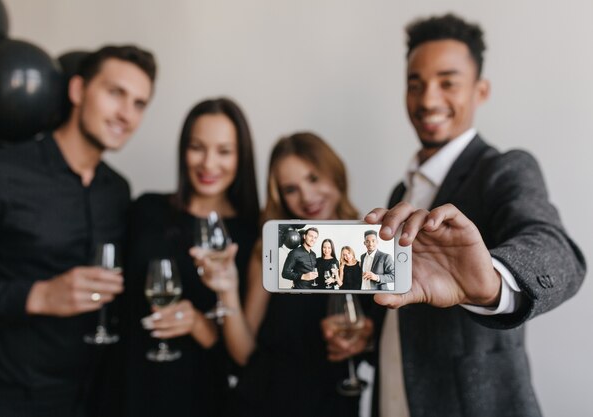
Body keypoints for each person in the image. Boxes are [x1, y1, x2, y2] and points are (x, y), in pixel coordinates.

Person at [322, 13, 586, 417]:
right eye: (416, 84)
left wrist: (492, 282)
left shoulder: (504, 169)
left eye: (447, 82)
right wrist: (369, 336)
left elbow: (556, 251)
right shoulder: (400, 192)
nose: (428, 100)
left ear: (481, 90)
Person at [0, 45, 156, 417]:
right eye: (115, 93)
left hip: (95, 398)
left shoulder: (117, 191)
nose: (126, 114)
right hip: (14, 401)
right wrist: (36, 295)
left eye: (139, 103)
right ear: (77, 91)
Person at [193, 132, 367, 417]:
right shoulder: (274, 249)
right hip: (268, 402)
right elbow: (243, 353)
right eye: (291, 189)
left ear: (335, 174)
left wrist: (364, 338)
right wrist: (227, 291)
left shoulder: (368, 242)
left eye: (313, 178)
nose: (307, 197)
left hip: (336, 401)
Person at [119, 97, 259, 417]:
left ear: (242, 157)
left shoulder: (253, 235)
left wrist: (200, 323)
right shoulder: (146, 210)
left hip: (203, 394)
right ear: (183, 150)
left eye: (224, 151)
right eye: (197, 147)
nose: (209, 164)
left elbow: (250, 356)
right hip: (132, 385)